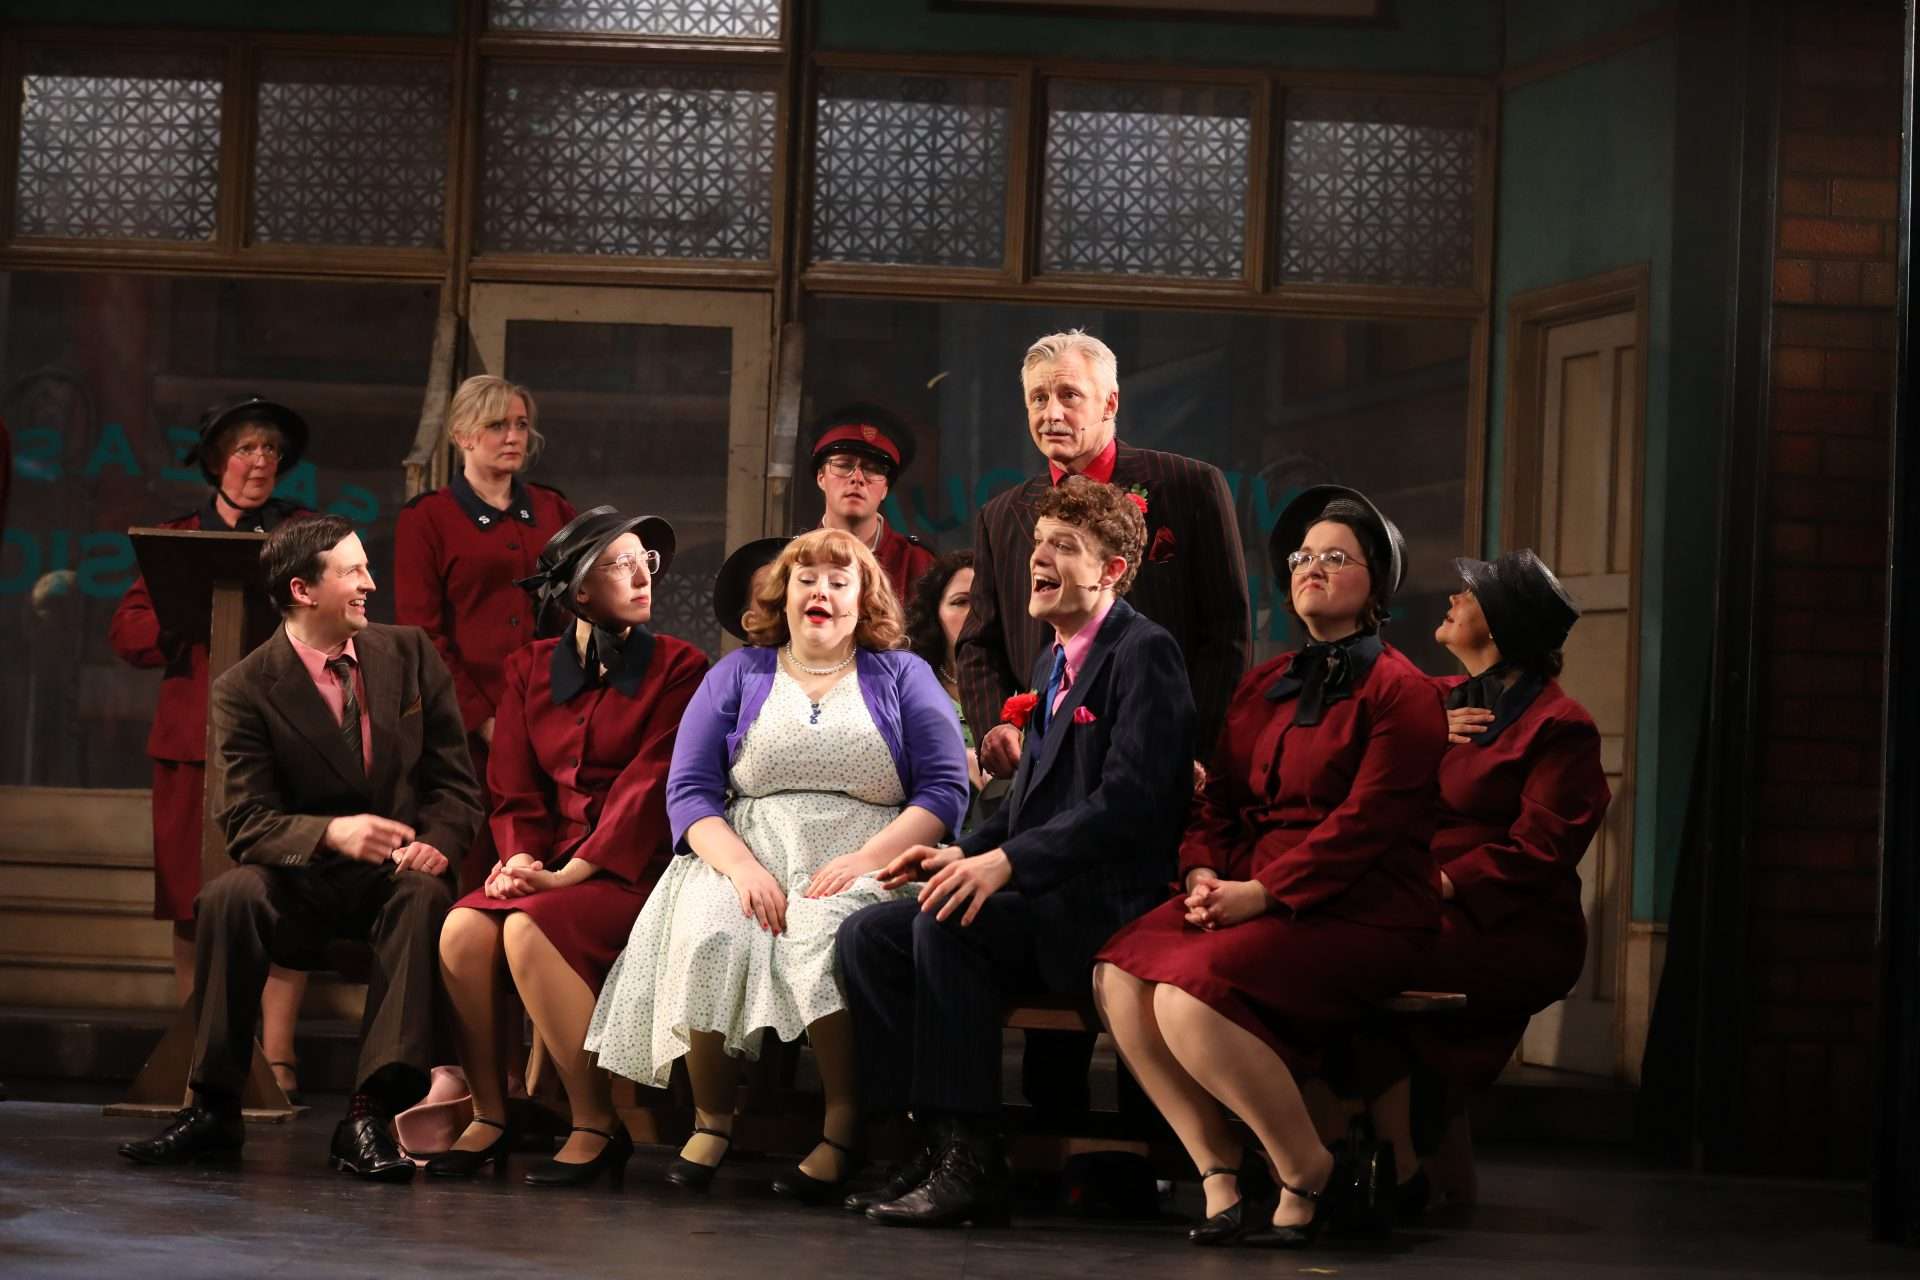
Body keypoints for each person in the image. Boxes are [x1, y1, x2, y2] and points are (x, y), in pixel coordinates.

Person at [1091, 485, 1446, 1249]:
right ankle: (1218, 1172)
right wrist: (1200, 874)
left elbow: (1367, 827)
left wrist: (1263, 893)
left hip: (1363, 904)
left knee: (1188, 999)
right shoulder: (1264, 682)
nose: (1312, 567)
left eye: (1336, 557)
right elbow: (1217, 801)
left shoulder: (1403, 692)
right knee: (1117, 974)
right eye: (1302, 557)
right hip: (1248, 889)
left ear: (1377, 586)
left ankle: (1304, 1166)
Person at [837, 478, 1196, 1229]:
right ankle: (929, 1140)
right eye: (1038, 544)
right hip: (1039, 900)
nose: (1039, 559)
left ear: (1111, 571)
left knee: (947, 925)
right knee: (867, 935)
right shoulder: (1049, 663)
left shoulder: (1145, 653)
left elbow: (1131, 804)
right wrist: (955, 852)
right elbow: (1028, 810)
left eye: (1064, 546)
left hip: (1103, 911)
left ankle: (973, 1160)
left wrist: (1006, 866)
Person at [586, 528, 968, 1203]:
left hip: (869, 852)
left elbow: (942, 789)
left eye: (838, 581)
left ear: (863, 599)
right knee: (711, 930)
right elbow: (690, 791)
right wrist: (741, 869)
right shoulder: (738, 673)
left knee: (821, 938)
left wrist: (865, 860)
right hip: (747, 850)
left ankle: (842, 1127)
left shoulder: (902, 675)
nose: (821, 591)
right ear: (781, 595)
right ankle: (711, 1120)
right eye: (805, 579)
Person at [117, 515, 482, 1181]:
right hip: (302, 882)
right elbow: (246, 821)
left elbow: (455, 786)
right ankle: (213, 1107)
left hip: (393, 878)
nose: (371, 583)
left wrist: (436, 842)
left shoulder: (409, 654)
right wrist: (330, 832)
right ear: (303, 590)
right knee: (230, 895)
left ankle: (368, 1114)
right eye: (353, 571)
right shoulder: (245, 687)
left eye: (366, 567)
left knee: (422, 893)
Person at [954, 328, 1250, 1120]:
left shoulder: (1189, 486)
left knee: (1142, 963)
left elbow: (1226, 633)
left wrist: (1192, 749)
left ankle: (1152, 1148)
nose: (1051, 412)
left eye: (1068, 395)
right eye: (1037, 399)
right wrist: (999, 724)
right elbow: (980, 641)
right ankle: (1054, 1140)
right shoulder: (1004, 514)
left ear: (1111, 402)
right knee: (1033, 932)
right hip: (1048, 763)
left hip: (1155, 775)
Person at [432, 508, 707, 1188]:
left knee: (528, 928)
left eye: (647, 561)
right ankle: (492, 1114)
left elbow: (651, 786)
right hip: (547, 867)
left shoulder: (680, 666)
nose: (643, 576)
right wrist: (521, 860)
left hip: (633, 870)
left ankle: (594, 1123)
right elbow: (514, 787)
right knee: (463, 928)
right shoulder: (527, 667)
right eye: (621, 564)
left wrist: (569, 874)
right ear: (580, 591)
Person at [1372, 549, 1610, 1210]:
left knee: (1368, 958)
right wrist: (1423, 731)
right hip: (1421, 899)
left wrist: (1444, 882)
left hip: (1509, 919)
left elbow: (1542, 846)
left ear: (1502, 627)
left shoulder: (1561, 726)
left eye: (1470, 595)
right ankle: (1402, 1158)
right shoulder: (1438, 698)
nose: (1452, 600)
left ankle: (1400, 1159)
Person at [108, 395, 315, 1102]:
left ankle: (278, 1057)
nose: (260, 462)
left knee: (284, 894)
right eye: (246, 448)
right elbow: (128, 631)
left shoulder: (302, 534)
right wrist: (182, 615)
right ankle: (201, 1051)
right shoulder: (177, 539)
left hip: (284, 741)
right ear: (216, 460)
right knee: (192, 901)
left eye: (271, 450)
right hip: (192, 745)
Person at [395, 375, 575, 891]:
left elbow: (578, 613)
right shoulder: (428, 518)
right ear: (462, 435)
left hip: (549, 725)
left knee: (540, 870)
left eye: (520, 424)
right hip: (462, 734)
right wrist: (484, 720)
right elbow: (423, 634)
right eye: (497, 425)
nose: (513, 436)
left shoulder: (552, 510)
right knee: (473, 872)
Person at [809, 404, 935, 603]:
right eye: (843, 465)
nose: (857, 478)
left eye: (873, 469)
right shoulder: (793, 561)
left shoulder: (919, 565)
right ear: (821, 477)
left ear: (885, 488)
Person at [902, 549, 995, 820]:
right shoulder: (905, 685)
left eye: (983, 601)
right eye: (960, 602)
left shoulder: (1025, 679)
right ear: (935, 613)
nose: (974, 613)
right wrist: (956, 759)